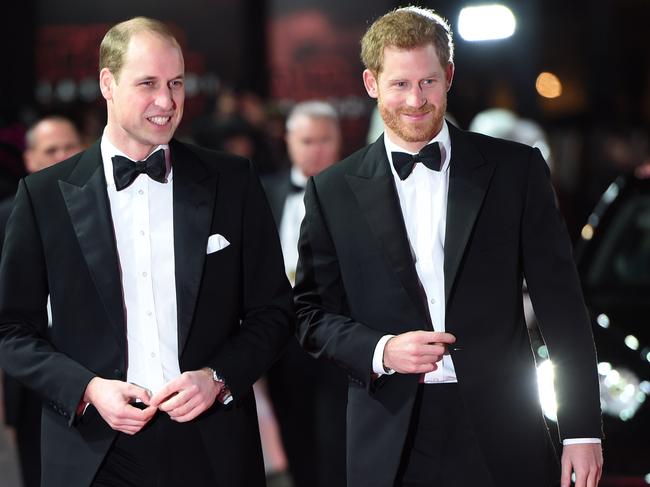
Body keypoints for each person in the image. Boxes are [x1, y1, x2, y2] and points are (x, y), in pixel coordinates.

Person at [293, 7, 603, 487]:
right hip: (389, 435)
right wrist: (381, 350)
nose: (416, 100)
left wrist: (582, 431)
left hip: (505, 430)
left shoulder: (514, 171)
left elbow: (561, 302)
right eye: (399, 84)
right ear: (372, 83)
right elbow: (310, 314)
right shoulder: (331, 191)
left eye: (428, 82)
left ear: (449, 77)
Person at [0, 16, 293, 487]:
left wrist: (217, 377)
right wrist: (88, 390)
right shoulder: (44, 196)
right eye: (148, 84)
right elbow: (11, 329)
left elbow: (274, 311)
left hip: (212, 444)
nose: (167, 101)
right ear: (107, 84)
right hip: (94, 450)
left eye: (176, 83)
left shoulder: (232, 181)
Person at [263, 100, 348, 487]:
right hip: (283, 340)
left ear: (339, 140)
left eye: (324, 140)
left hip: (343, 334)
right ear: (289, 141)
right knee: (294, 434)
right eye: (307, 140)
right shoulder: (265, 191)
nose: (315, 149)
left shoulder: (358, 191)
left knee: (339, 438)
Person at [0, 115, 82, 487]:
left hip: (95, 364)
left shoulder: (111, 205)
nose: (62, 156)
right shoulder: (5, 216)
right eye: (51, 150)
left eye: (70, 147)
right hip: (30, 367)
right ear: (30, 159)